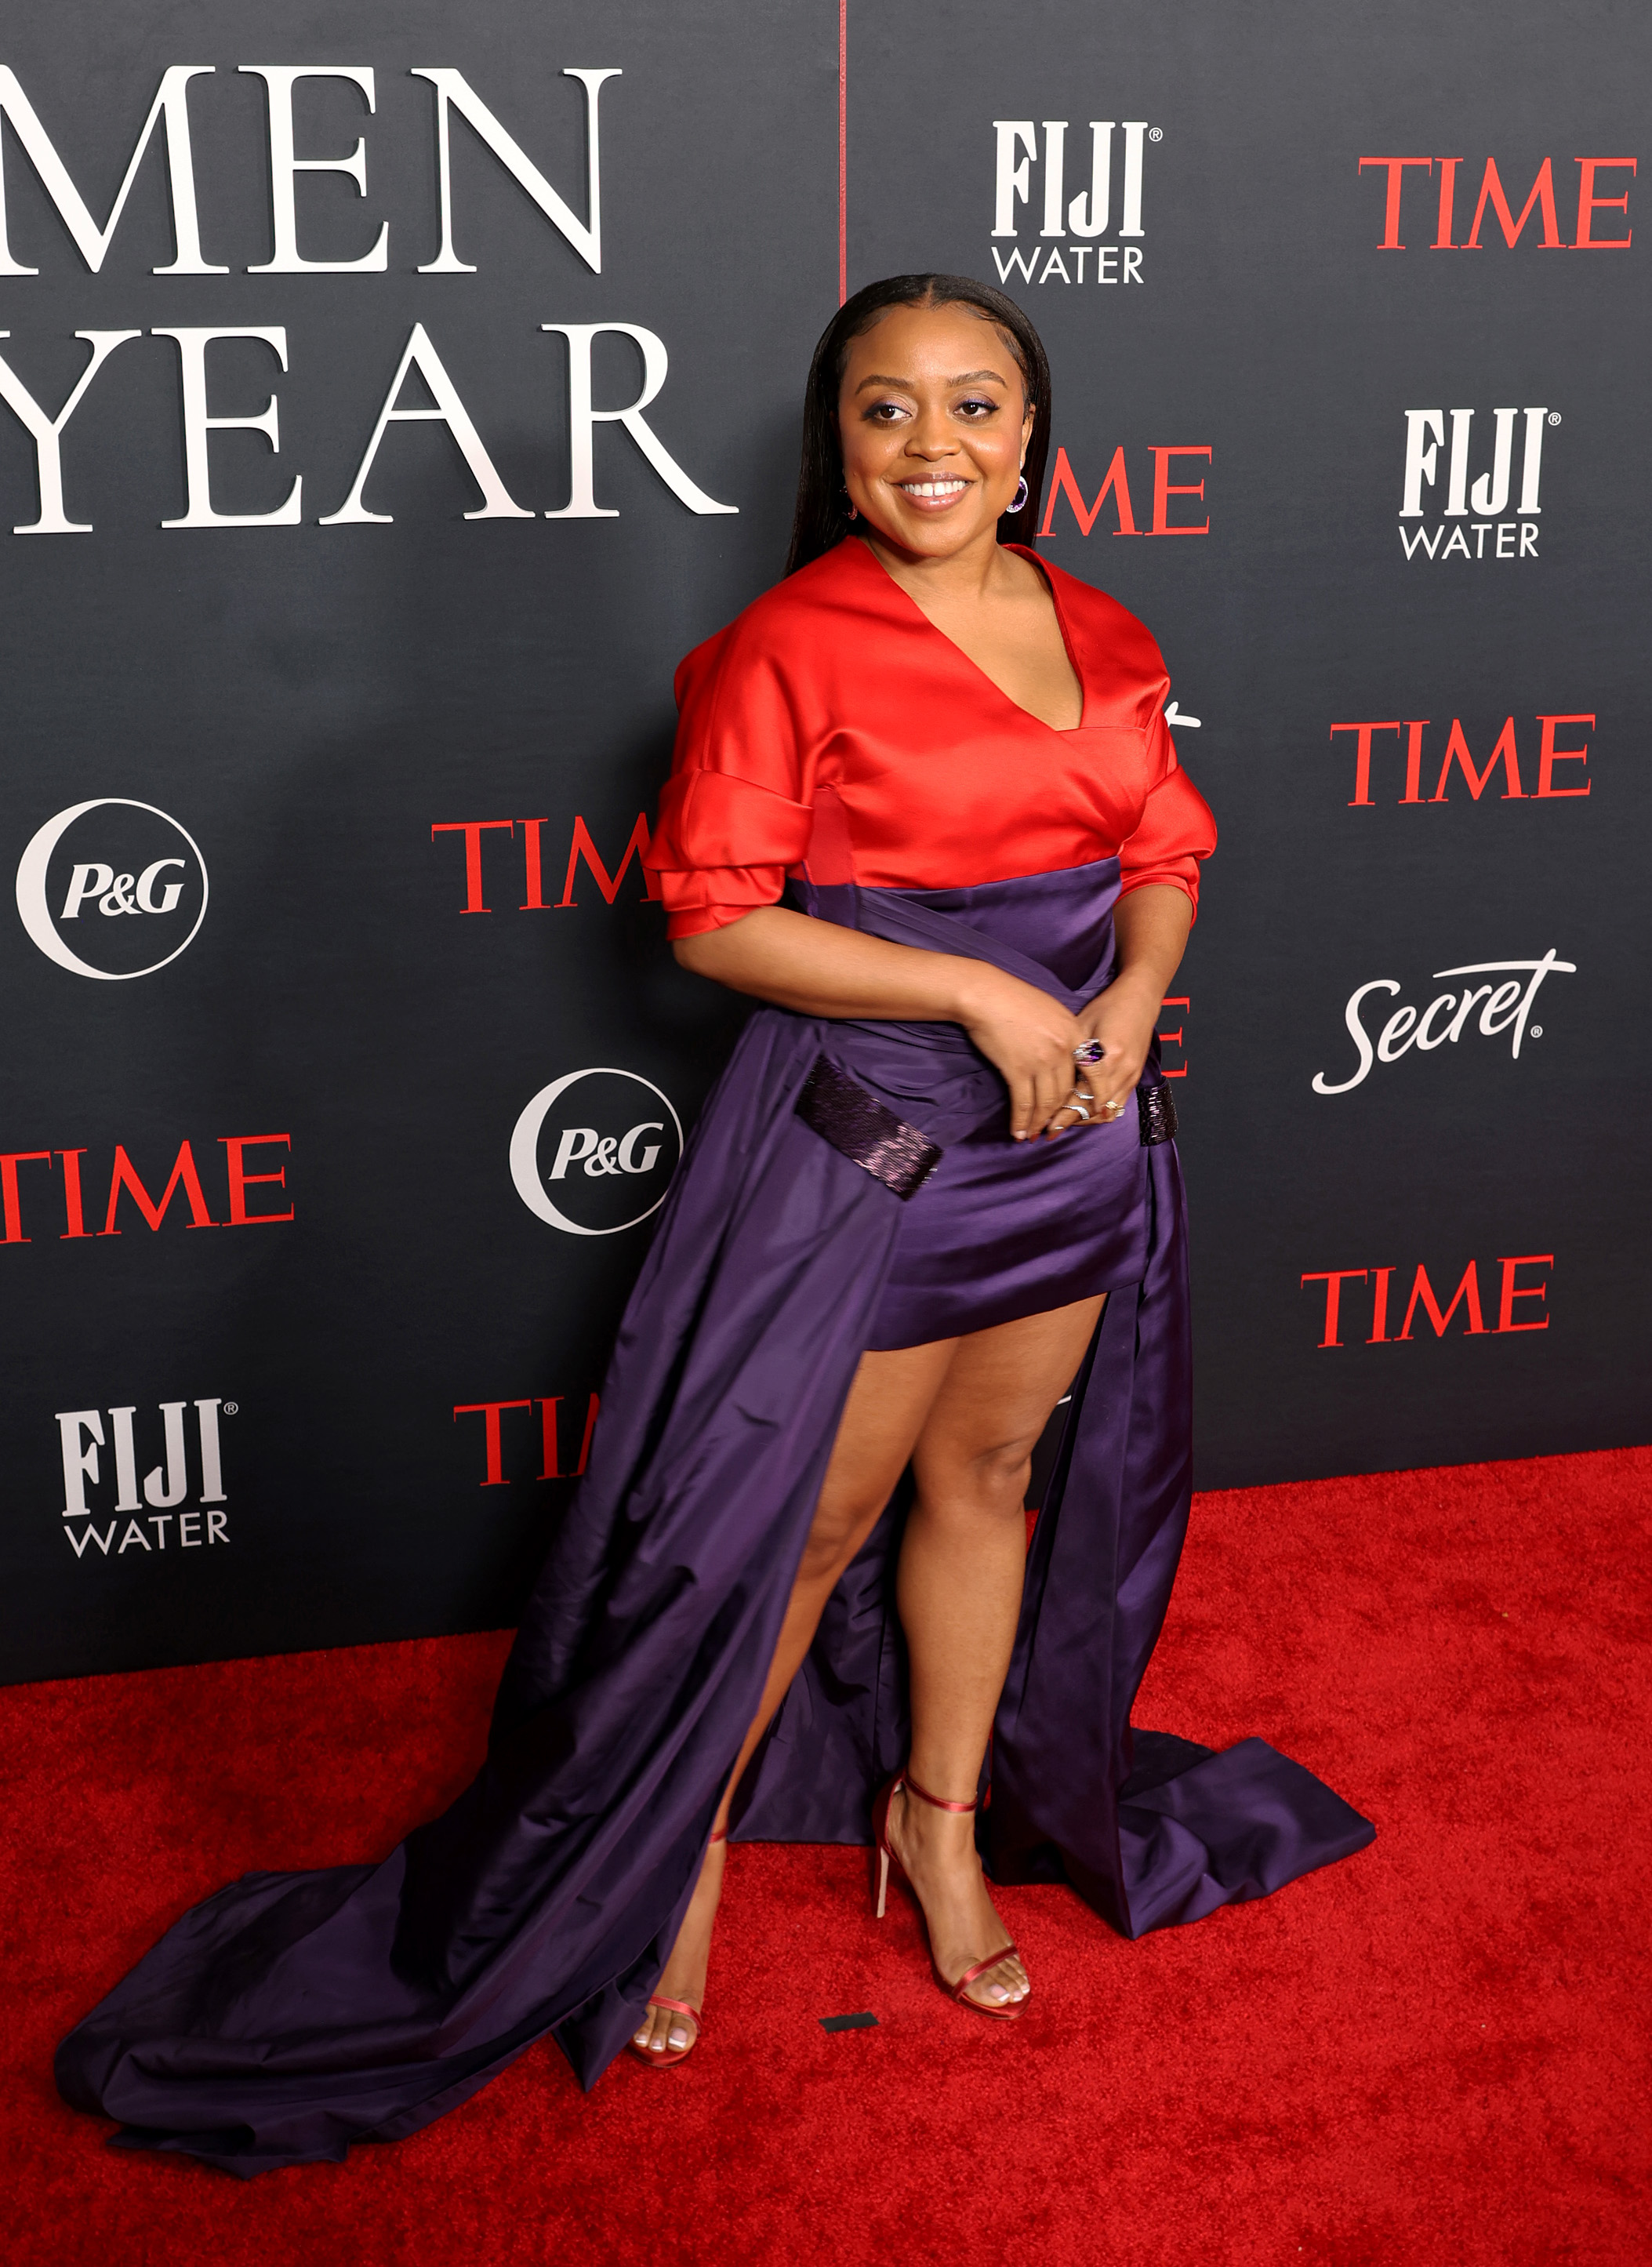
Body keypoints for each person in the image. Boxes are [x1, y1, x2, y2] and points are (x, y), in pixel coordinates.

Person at [56, 276, 1372, 2171]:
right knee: (797, 1530)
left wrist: (1133, 995)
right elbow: (713, 916)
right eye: (885, 413)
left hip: (1074, 1136)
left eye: (974, 405)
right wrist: (978, 999)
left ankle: (931, 1818)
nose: (932, 446)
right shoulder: (790, 643)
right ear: (836, 453)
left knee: (990, 1483)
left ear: (1035, 439)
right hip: (876, 1148)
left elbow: (1161, 842)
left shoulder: (1105, 626)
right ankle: (670, 1855)